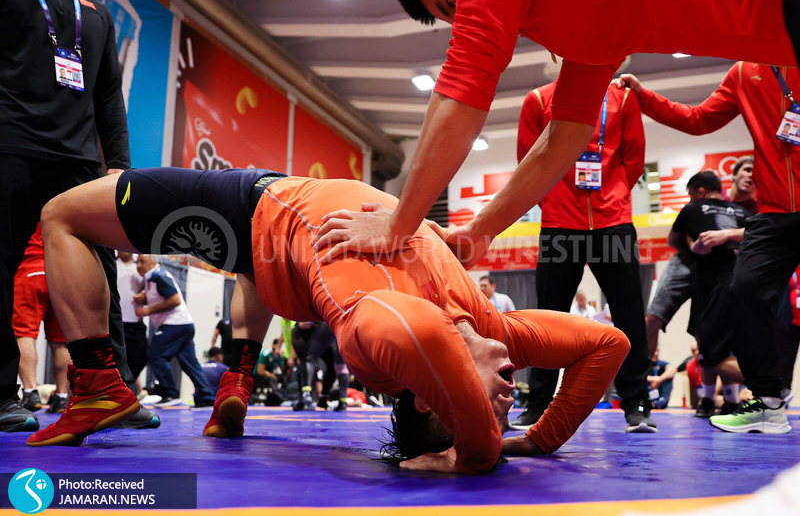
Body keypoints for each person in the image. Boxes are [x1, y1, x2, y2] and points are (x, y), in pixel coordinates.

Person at [29, 167, 629, 476]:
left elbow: (422, 336)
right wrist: (537, 438)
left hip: (249, 208)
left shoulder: (375, 334)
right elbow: (608, 342)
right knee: (256, 269)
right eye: (503, 415)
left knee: (63, 215)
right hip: (279, 238)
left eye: (491, 410)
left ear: (429, 397)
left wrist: (478, 451)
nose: (509, 400)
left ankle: (98, 382)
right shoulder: (490, 330)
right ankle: (236, 382)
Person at [312, 0, 797, 279]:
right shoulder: (584, 21)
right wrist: (479, 233)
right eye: (453, 14)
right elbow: (566, 134)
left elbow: (464, 82)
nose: (467, 11)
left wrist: (399, 225)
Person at [618, 64, 800, 432]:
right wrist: (643, 95)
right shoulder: (745, 72)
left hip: (768, 219)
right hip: (774, 215)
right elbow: (699, 119)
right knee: (744, 290)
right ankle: (768, 402)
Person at [0, 0, 138, 433]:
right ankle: (2, 394)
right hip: (11, 145)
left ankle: (112, 390)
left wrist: (118, 166)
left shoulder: (96, 12)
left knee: (101, 271)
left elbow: (109, 94)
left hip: (79, 159)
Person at [510, 80, 652, 433]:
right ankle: (538, 404)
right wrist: (554, 200)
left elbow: (634, 156)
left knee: (629, 314)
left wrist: (615, 194)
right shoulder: (538, 99)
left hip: (613, 223)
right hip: (560, 224)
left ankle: (636, 403)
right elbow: (529, 160)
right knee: (548, 319)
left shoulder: (623, 98)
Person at [644, 157, 757, 355]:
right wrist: (693, 245)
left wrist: (726, 235)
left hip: (723, 271)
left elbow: (759, 234)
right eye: (746, 170)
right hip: (692, 263)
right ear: (734, 175)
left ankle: (715, 370)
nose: (750, 176)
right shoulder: (698, 205)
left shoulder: (752, 211)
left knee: (707, 333)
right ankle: (644, 373)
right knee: (655, 317)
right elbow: (677, 237)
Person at [668, 171, 753, 419]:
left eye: (690, 194)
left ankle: (771, 385)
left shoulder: (693, 208)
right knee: (720, 347)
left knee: (707, 348)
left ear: (700, 191)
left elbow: (673, 240)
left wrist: (694, 243)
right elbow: (760, 236)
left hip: (713, 286)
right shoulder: (743, 213)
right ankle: (728, 400)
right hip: (737, 283)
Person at [135, 254, 215, 408]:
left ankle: (170, 392)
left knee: (155, 354)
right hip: (184, 324)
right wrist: (144, 299)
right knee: (189, 363)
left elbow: (175, 300)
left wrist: (148, 310)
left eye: (142, 261)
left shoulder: (158, 276)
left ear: (153, 262)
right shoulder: (152, 277)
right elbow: (162, 296)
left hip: (174, 324)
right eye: (136, 262)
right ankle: (206, 396)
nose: (138, 265)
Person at [14, 225, 71, 414]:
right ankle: (61, 397)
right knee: (60, 342)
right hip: (60, 274)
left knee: (24, 334)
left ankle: (30, 392)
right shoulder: (61, 210)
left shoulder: (23, 209)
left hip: (30, 269)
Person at [117, 251, 147, 388]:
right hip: (115, 321)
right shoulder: (112, 263)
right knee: (116, 358)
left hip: (135, 321)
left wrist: (145, 296)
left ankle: (127, 384)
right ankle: (121, 387)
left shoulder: (140, 266)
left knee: (140, 356)